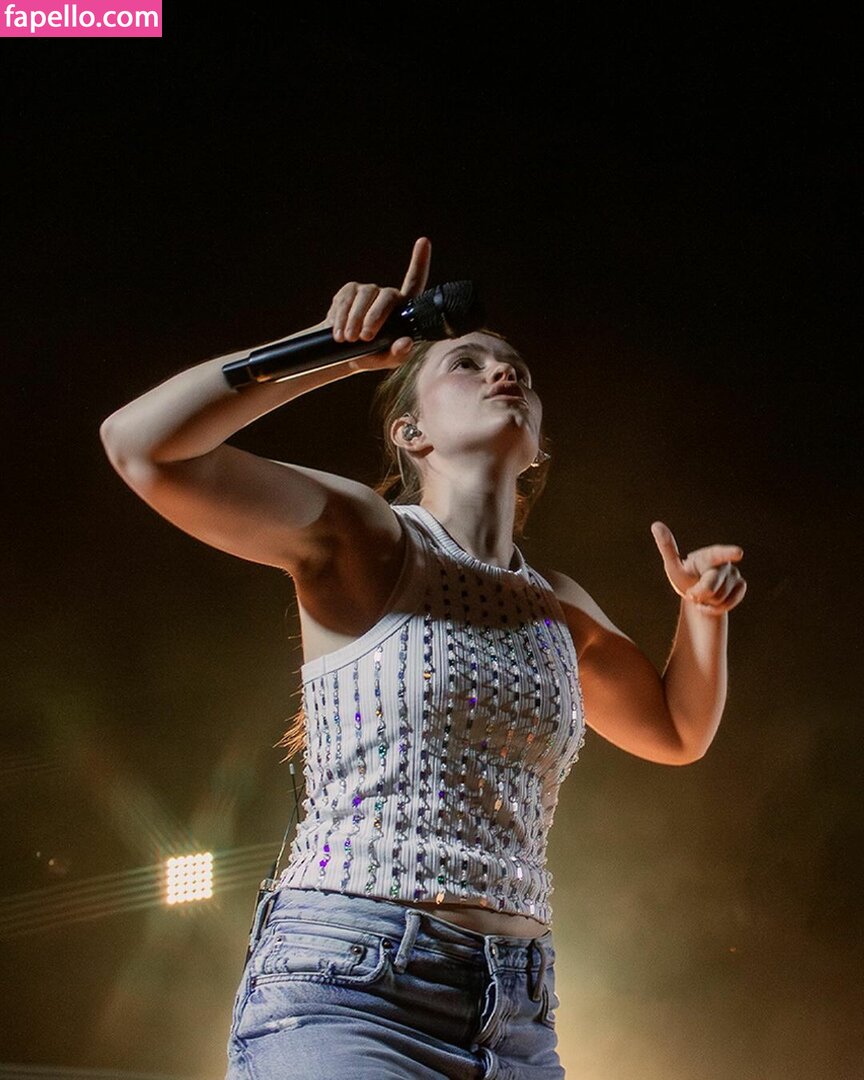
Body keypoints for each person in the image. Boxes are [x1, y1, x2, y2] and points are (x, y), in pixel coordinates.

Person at [99, 237, 746, 1079]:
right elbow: (139, 445)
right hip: (351, 988)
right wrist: (330, 353)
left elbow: (678, 731)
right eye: (465, 364)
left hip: (517, 1017)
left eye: (516, 369)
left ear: (538, 447)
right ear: (410, 432)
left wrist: (702, 615)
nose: (502, 372)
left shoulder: (556, 603)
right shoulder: (368, 536)